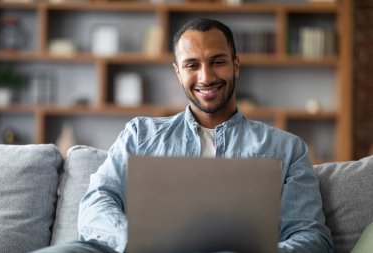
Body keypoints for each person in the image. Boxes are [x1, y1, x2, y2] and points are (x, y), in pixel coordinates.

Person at [32, 18, 333, 253]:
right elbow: (97, 202)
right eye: (192, 65)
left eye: (217, 61)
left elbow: (311, 237)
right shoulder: (140, 134)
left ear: (235, 66)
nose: (206, 77)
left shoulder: (288, 149)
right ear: (178, 72)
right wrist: (131, 243)